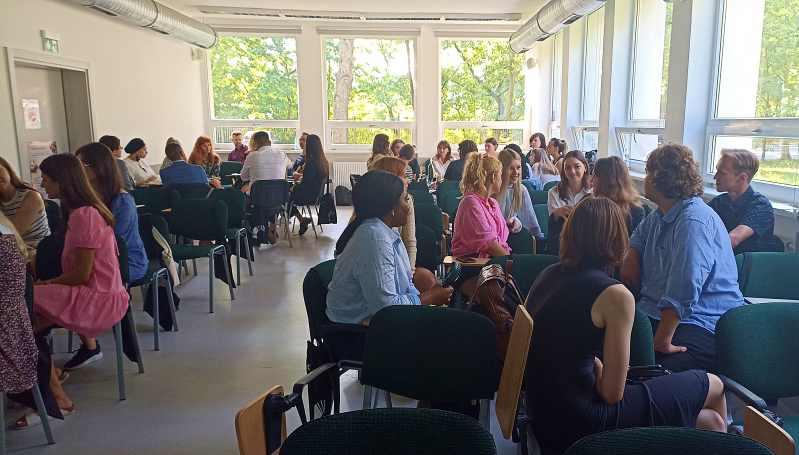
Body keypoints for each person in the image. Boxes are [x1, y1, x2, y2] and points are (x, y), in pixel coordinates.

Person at [525, 197, 727, 453]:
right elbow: (612, 394)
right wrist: (599, 372)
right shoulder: (615, 295)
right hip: (585, 420)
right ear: (617, 238)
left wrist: (595, 367)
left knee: (710, 422)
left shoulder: (548, 274)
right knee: (714, 385)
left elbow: (555, 345)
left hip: (544, 418)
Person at [621, 144, 744, 372]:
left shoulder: (692, 221)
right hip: (655, 312)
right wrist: (632, 257)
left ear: (661, 178)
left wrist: (661, 340)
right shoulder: (660, 214)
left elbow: (684, 287)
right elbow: (635, 242)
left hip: (698, 322)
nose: (645, 178)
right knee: (600, 350)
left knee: (648, 375)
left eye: (648, 172)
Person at [33, 153, 129, 373]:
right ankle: (44, 377)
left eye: (46, 179)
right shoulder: (83, 211)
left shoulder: (84, 215)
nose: (42, 184)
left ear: (62, 181)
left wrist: (45, 284)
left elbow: (81, 275)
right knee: (24, 319)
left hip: (99, 300)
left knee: (21, 300)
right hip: (98, 294)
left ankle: (44, 380)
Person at [326, 170, 452, 325]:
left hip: (377, 323)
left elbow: (402, 287)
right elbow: (386, 309)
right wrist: (428, 298)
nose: (408, 207)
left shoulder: (383, 230)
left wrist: (423, 300)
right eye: (405, 200)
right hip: (357, 334)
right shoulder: (374, 238)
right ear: (391, 207)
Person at [74, 143, 148, 369]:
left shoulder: (121, 201)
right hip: (98, 260)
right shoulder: (84, 200)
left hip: (127, 262)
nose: (77, 171)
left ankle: (90, 339)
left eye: (81, 165)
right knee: (70, 280)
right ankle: (89, 342)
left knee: (76, 283)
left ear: (97, 168)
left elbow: (115, 245)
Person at [709, 149, 783, 254]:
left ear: (742, 178)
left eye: (722, 173)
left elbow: (733, 239)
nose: (715, 177)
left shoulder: (761, 206)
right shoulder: (719, 202)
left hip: (749, 268)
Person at [451, 153, 510, 258]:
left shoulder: (493, 203)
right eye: (500, 175)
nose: (502, 180)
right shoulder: (470, 203)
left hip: (494, 262)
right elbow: (489, 245)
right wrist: (513, 264)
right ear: (493, 177)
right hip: (474, 266)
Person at [371, 156, 417, 269]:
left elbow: (410, 242)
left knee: (426, 278)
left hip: (398, 261)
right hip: (380, 263)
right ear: (390, 178)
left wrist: (410, 272)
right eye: (404, 176)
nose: (407, 180)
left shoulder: (407, 199)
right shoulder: (370, 204)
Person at [0, 157, 50, 253]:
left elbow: (10, 235)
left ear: (8, 170)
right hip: (13, 254)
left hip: (39, 254)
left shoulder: (31, 197)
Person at [591, 156, 645, 234]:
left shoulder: (635, 212)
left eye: (594, 176)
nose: (591, 180)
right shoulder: (638, 211)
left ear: (605, 181)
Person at [497, 149, 543, 240]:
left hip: (514, 237)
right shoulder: (493, 190)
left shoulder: (521, 190)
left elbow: (530, 221)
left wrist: (517, 222)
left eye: (518, 168)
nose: (516, 172)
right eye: (511, 168)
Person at [290, 134, 329, 236]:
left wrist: (295, 182)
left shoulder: (311, 162)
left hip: (307, 195)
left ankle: (299, 219)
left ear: (310, 145)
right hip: (316, 195)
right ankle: (302, 219)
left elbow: (306, 182)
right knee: (287, 197)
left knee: (284, 198)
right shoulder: (323, 161)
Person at [548, 150, 592, 221]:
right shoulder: (553, 193)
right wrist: (556, 214)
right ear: (564, 171)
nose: (572, 171)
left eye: (577, 166)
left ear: (585, 168)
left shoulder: (593, 192)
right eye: (568, 168)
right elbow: (554, 225)